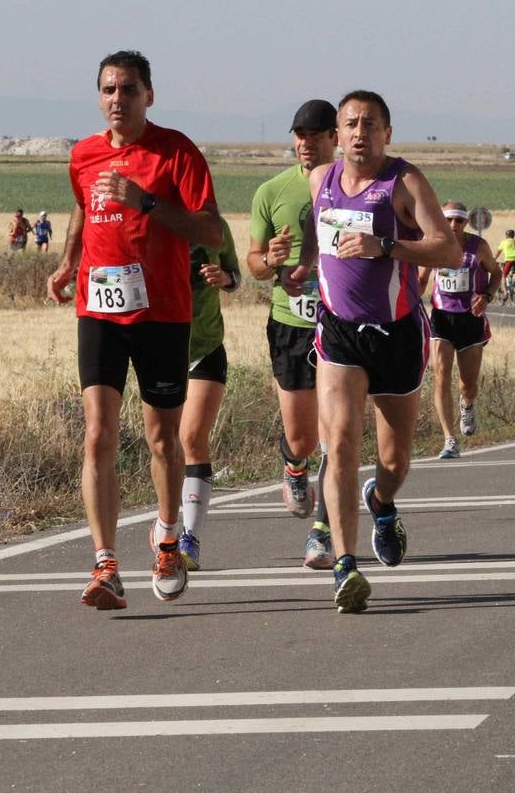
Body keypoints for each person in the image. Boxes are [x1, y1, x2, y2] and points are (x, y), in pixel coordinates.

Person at [46, 50, 222, 611]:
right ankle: (105, 563)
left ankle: (167, 540)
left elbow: (212, 231)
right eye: (108, 90)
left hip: (163, 313)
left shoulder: (177, 152)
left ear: (149, 95)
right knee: (97, 432)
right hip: (99, 308)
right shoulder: (84, 154)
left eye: (128, 90)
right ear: (98, 97)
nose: (117, 99)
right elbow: (80, 206)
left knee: (161, 438)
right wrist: (69, 263)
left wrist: (145, 201)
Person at [291, 90, 460, 613]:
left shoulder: (404, 182)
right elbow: (319, 245)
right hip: (339, 331)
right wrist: (297, 268)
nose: (359, 133)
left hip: (398, 332)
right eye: (350, 124)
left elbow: (448, 249)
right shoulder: (321, 181)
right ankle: (345, 565)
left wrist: (386, 246)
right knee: (339, 443)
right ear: (336, 135)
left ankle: (382, 501)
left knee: (394, 459)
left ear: (388, 133)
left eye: (370, 124)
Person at [247, 99, 338, 570]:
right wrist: (274, 259)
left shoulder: (352, 187)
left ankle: (321, 533)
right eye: (298, 135)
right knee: (302, 438)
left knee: (335, 434)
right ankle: (293, 465)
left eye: (315, 135)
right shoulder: (272, 191)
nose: (305, 144)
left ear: (334, 138)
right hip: (290, 324)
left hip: (340, 324)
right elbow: (255, 264)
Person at [157, 215, 239, 571]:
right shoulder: (155, 222)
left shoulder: (214, 228)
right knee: (163, 443)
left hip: (205, 348)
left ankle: (189, 535)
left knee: (191, 437)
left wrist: (224, 279)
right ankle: (167, 520)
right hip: (160, 351)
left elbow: (236, 275)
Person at [418, 200, 501, 459]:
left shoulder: (479, 247)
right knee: (441, 374)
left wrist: (486, 295)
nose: (453, 225)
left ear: (466, 223)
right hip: (442, 317)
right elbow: (420, 281)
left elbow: (496, 273)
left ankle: (468, 404)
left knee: (468, 384)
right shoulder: (434, 245)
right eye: (449, 219)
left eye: (459, 220)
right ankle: (449, 438)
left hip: (471, 318)